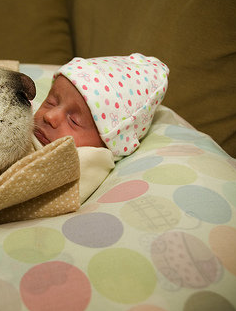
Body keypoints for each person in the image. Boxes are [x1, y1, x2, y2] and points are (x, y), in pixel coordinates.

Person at [33, 54, 169, 202]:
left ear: (108, 144)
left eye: (74, 121)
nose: (50, 116)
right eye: (51, 102)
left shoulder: (89, 162)